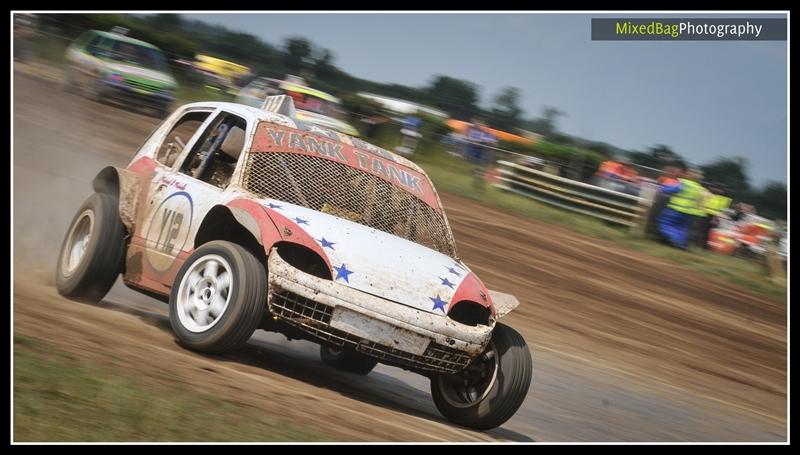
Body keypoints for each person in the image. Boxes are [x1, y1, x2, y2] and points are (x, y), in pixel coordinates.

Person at [656, 168, 707, 250]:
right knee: (682, 228)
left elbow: (670, 189)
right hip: (690, 213)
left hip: (676, 209)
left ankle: (676, 240)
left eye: (687, 173)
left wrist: (662, 188)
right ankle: (682, 244)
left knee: (664, 224)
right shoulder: (700, 189)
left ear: (689, 176)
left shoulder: (684, 183)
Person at [645, 164, 682, 238]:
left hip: (668, 201)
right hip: (659, 199)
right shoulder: (663, 178)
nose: (675, 173)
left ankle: (656, 233)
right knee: (653, 216)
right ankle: (649, 232)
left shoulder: (678, 182)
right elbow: (657, 187)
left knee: (661, 217)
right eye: (674, 172)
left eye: (678, 172)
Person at [465, 119, 497, 191]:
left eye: (485, 126)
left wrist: (487, 142)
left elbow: (493, 142)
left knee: (482, 170)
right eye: (483, 126)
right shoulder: (479, 133)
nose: (483, 127)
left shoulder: (491, 134)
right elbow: (477, 140)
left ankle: (479, 184)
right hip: (481, 153)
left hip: (486, 153)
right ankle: (478, 184)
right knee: (479, 169)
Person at [698, 183, 732, 249]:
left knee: (709, 231)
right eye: (715, 188)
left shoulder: (724, 198)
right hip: (705, 214)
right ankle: (701, 244)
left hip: (714, 216)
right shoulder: (707, 194)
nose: (717, 190)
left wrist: (717, 218)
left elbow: (723, 209)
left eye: (719, 189)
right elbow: (701, 203)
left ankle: (705, 245)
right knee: (703, 230)